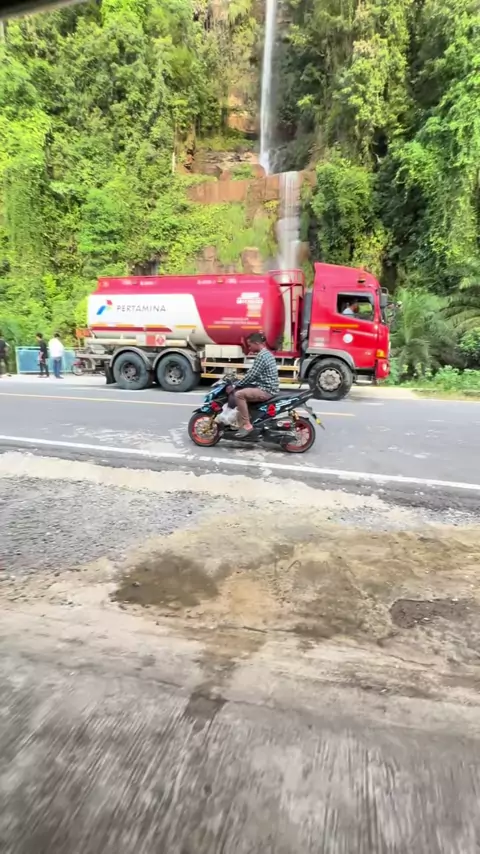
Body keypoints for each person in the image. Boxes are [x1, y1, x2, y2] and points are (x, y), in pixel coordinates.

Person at [229, 332, 279, 438]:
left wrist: (236, 385)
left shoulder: (262, 356)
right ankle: (246, 421)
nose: (249, 348)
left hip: (265, 390)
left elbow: (252, 375)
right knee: (245, 391)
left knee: (239, 395)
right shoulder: (267, 354)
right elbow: (254, 374)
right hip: (268, 387)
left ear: (256, 343)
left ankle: (247, 424)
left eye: (250, 345)